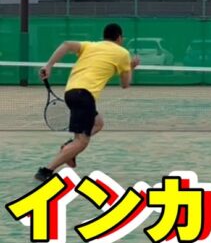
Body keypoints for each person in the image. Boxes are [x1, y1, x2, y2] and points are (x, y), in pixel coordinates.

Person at [35, 23, 140, 181]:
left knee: (98, 123)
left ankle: (70, 147)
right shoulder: (123, 53)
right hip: (84, 95)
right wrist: (131, 67)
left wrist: (49, 66)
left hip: (71, 92)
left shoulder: (90, 46)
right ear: (119, 38)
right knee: (82, 142)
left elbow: (66, 45)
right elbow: (125, 85)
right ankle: (46, 170)